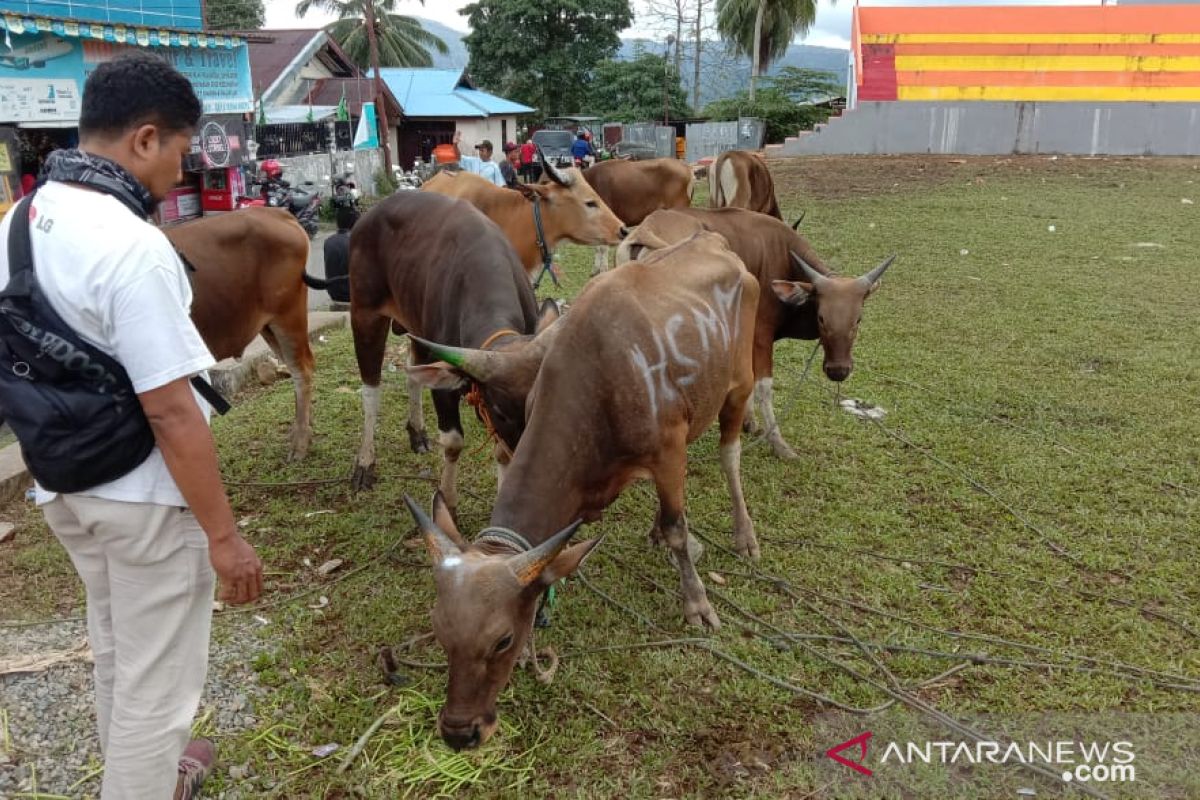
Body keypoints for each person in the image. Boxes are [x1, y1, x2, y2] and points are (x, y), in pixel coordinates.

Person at [0, 52, 263, 800]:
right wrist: (223, 536)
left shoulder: (18, 220)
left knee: (121, 649)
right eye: (181, 152)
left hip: (66, 484)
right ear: (146, 139)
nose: (181, 174)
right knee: (161, 689)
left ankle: (139, 777)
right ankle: (143, 782)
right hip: (142, 495)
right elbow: (172, 409)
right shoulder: (131, 245)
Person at [323, 204, 359, 305]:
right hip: (352, 294)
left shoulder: (328, 241)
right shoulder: (357, 242)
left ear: (337, 223)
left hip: (334, 293)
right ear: (356, 223)